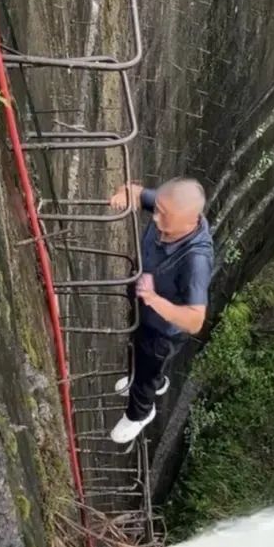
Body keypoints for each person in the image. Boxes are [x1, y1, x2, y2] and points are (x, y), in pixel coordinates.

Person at [108, 177, 214, 445]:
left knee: (147, 366)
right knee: (138, 350)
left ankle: (140, 413)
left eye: (164, 217)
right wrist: (123, 195)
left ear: (190, 220)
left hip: (163, 330)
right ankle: (154, 379)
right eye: (156, 210)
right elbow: (135, 191)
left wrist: (154, 299)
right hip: (144, 307)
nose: (155, 219)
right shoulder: (169, 205)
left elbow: (194, 321)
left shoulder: (195, 260)